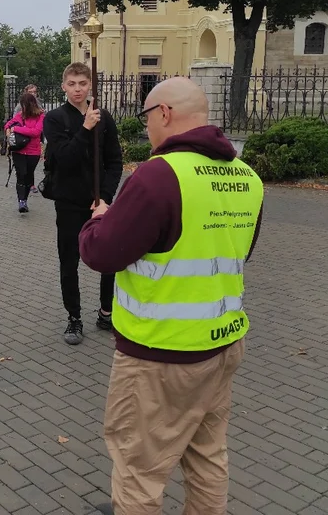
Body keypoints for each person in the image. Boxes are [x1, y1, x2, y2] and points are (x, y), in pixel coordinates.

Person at [78, 77, 263, 515]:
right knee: (207, 455)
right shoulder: (247, 177)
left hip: (160, 353)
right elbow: (239, 253)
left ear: (164, 114)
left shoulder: (159, 176)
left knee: (139, 468)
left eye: (146, 118)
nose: (146, 129)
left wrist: (98, 221)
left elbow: (103, 253)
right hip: (222, 342)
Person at [43, 62, 123, 345]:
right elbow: (64, 158)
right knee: (70, 261)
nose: (78, 89)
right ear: (64, 86)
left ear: (90, 86)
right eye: (72, 84)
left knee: (110, 258)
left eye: (83, 84)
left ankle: (106, 311)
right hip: (68, 203)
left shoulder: (105, 118)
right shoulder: (54, 119)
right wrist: (86, 128)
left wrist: (106, 198)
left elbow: (114, 161)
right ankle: (74, 317)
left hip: (99, 205)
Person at [4, 92, 45, 214]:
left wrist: (16, 129)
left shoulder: (41, 116)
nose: (23, 108)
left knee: (28, 175)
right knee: (21, 175)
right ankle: (22, 201)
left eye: (24, 105)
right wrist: (8, 131)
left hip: (33, 152)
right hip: (19, 150)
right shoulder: (20, 115)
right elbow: (7, 125)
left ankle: (25, 198)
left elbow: (36, 132)